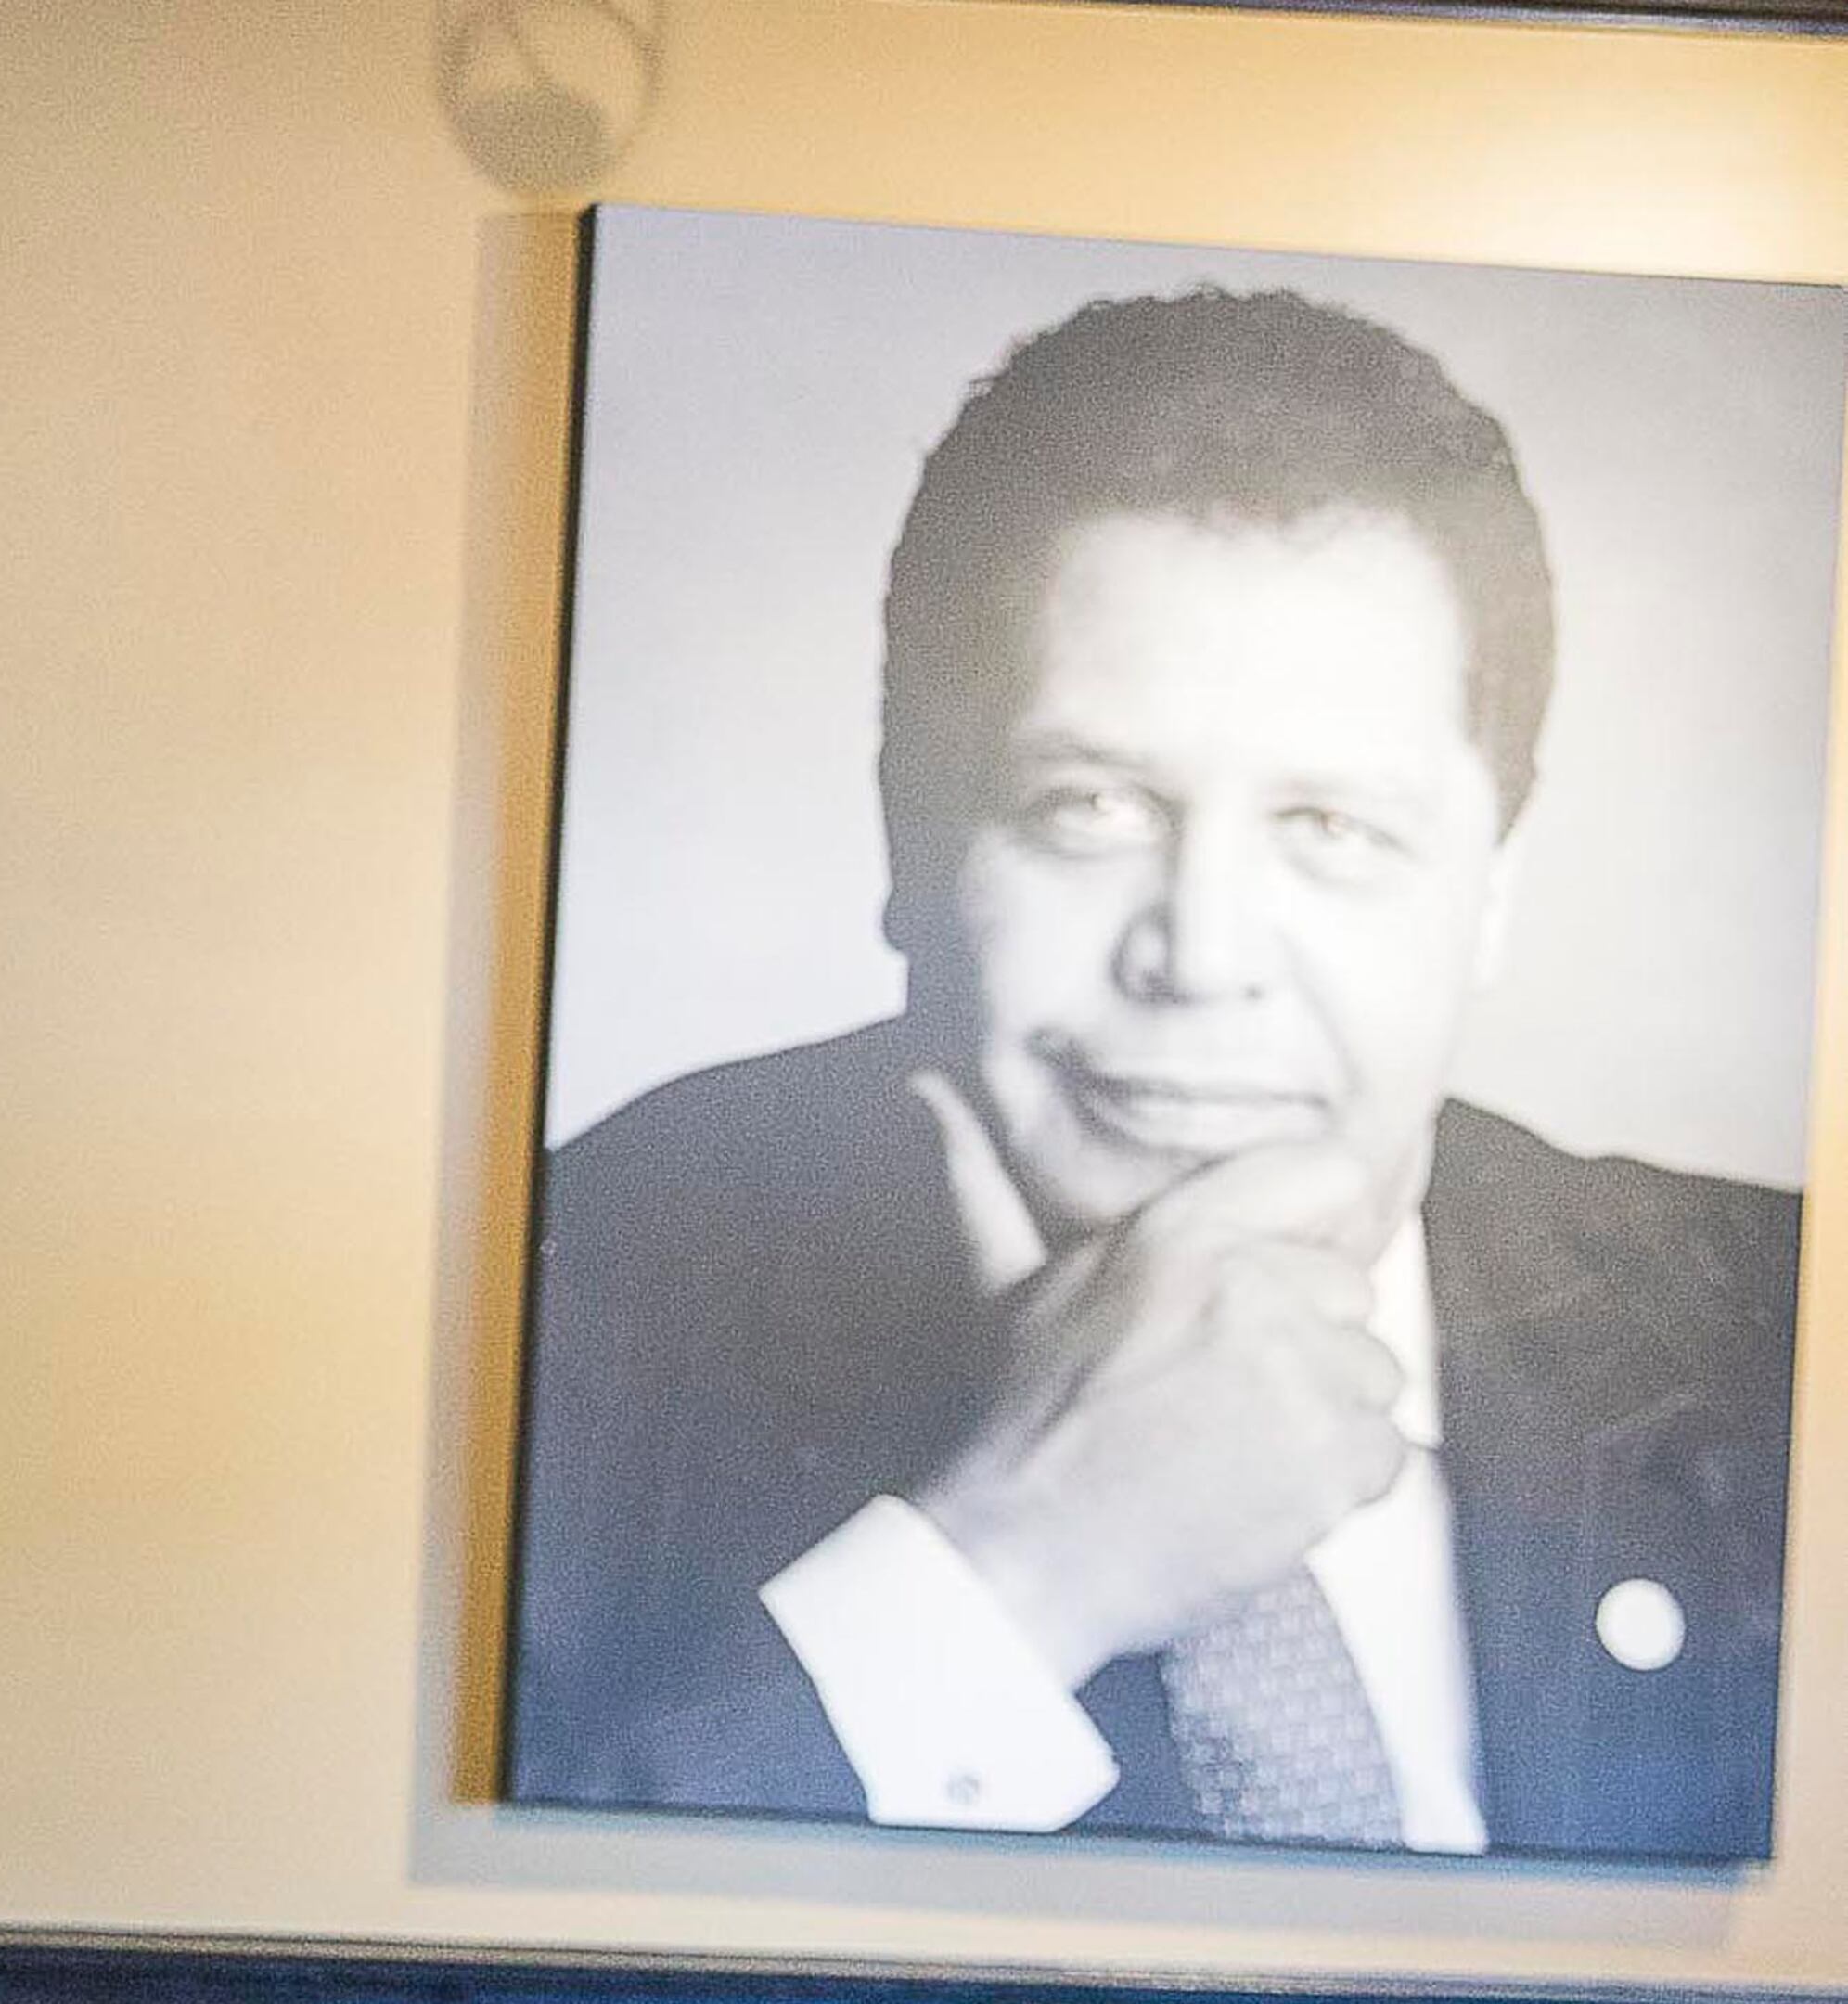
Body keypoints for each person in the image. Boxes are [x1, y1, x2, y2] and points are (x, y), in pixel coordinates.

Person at [507, 288, 1796, 1861]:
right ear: (911, 840)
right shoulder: (550, 1321)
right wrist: (1018, 1572)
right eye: (1091, 807)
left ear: (1494, 889)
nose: (1201, 953)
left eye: (1332, 830)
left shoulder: (1779, 1330)